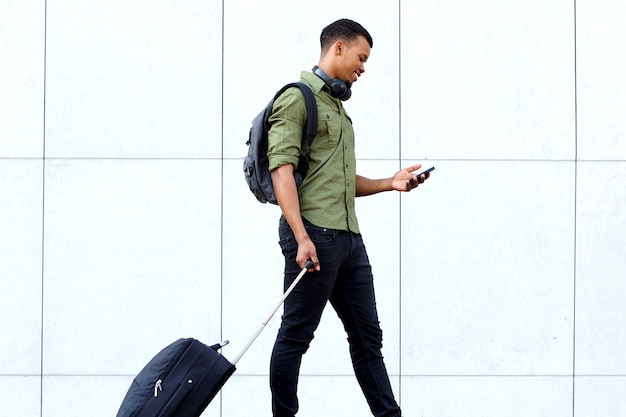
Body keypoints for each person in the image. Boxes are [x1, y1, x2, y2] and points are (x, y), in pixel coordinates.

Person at [267, 18, 430, 417]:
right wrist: (301, 236)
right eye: (361, 57)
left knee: (367, 338)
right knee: (296, 336)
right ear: (337, 48)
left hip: (348, 239)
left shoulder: (338, 109)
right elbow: (281, 169)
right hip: (314, 237)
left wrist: (389, 183)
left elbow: (337, 180)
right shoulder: (297, 98)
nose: (363, 67)